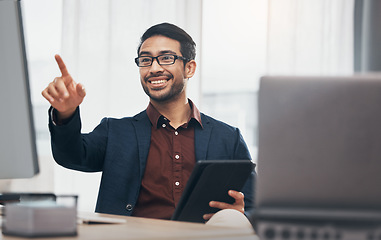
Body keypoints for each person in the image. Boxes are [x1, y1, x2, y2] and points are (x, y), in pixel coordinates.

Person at [41, 22, 255, 221]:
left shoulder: (228, 138)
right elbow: (71, 155)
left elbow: (257, 208)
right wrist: (66, 113)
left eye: (166, 58)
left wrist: (241, 214)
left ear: (189, 68)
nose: (154, 68)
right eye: (146, 60)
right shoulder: (115, 132)